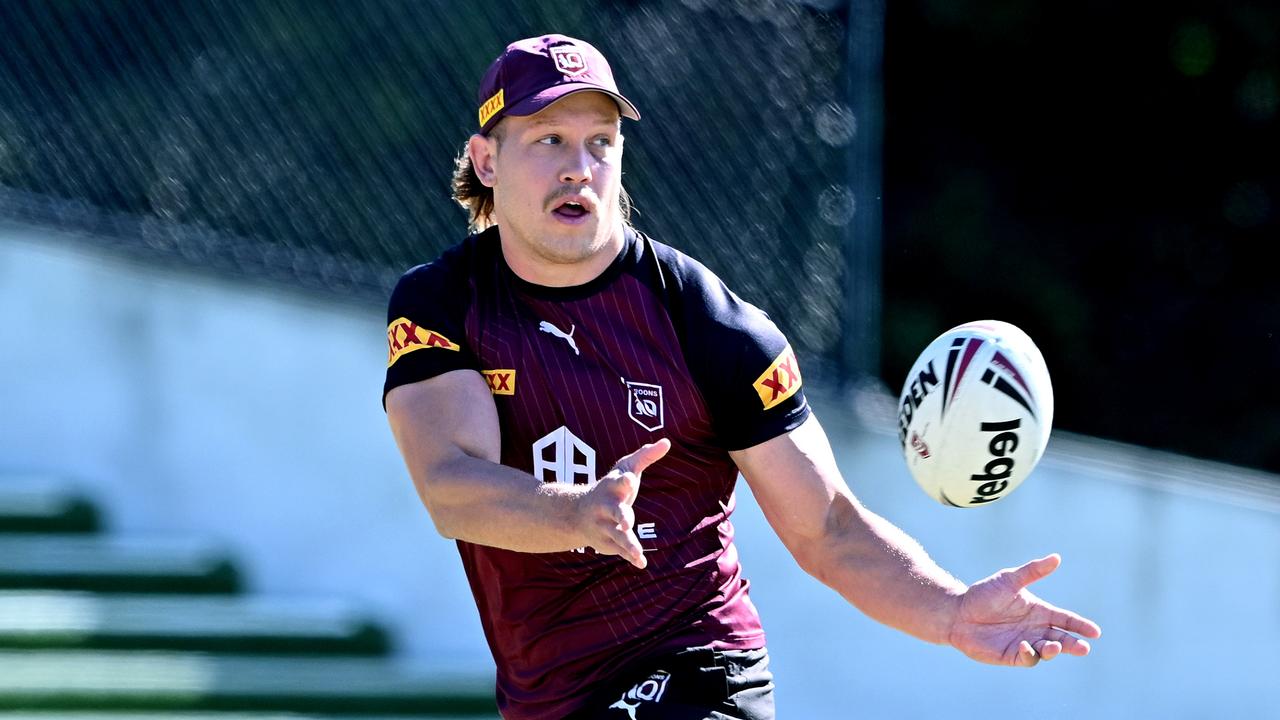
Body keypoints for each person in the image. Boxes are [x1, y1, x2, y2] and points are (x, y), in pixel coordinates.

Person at [383, 34, 1101, 720]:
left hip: (699, 671)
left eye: (601, 142)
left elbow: (827, 527)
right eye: (549, 139)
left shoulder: (711, 326)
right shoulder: (443, 304)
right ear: (485, 161)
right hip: (548, 698)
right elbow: (451, 484)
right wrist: (575, 514)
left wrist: (949, 610)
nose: (580, 167)